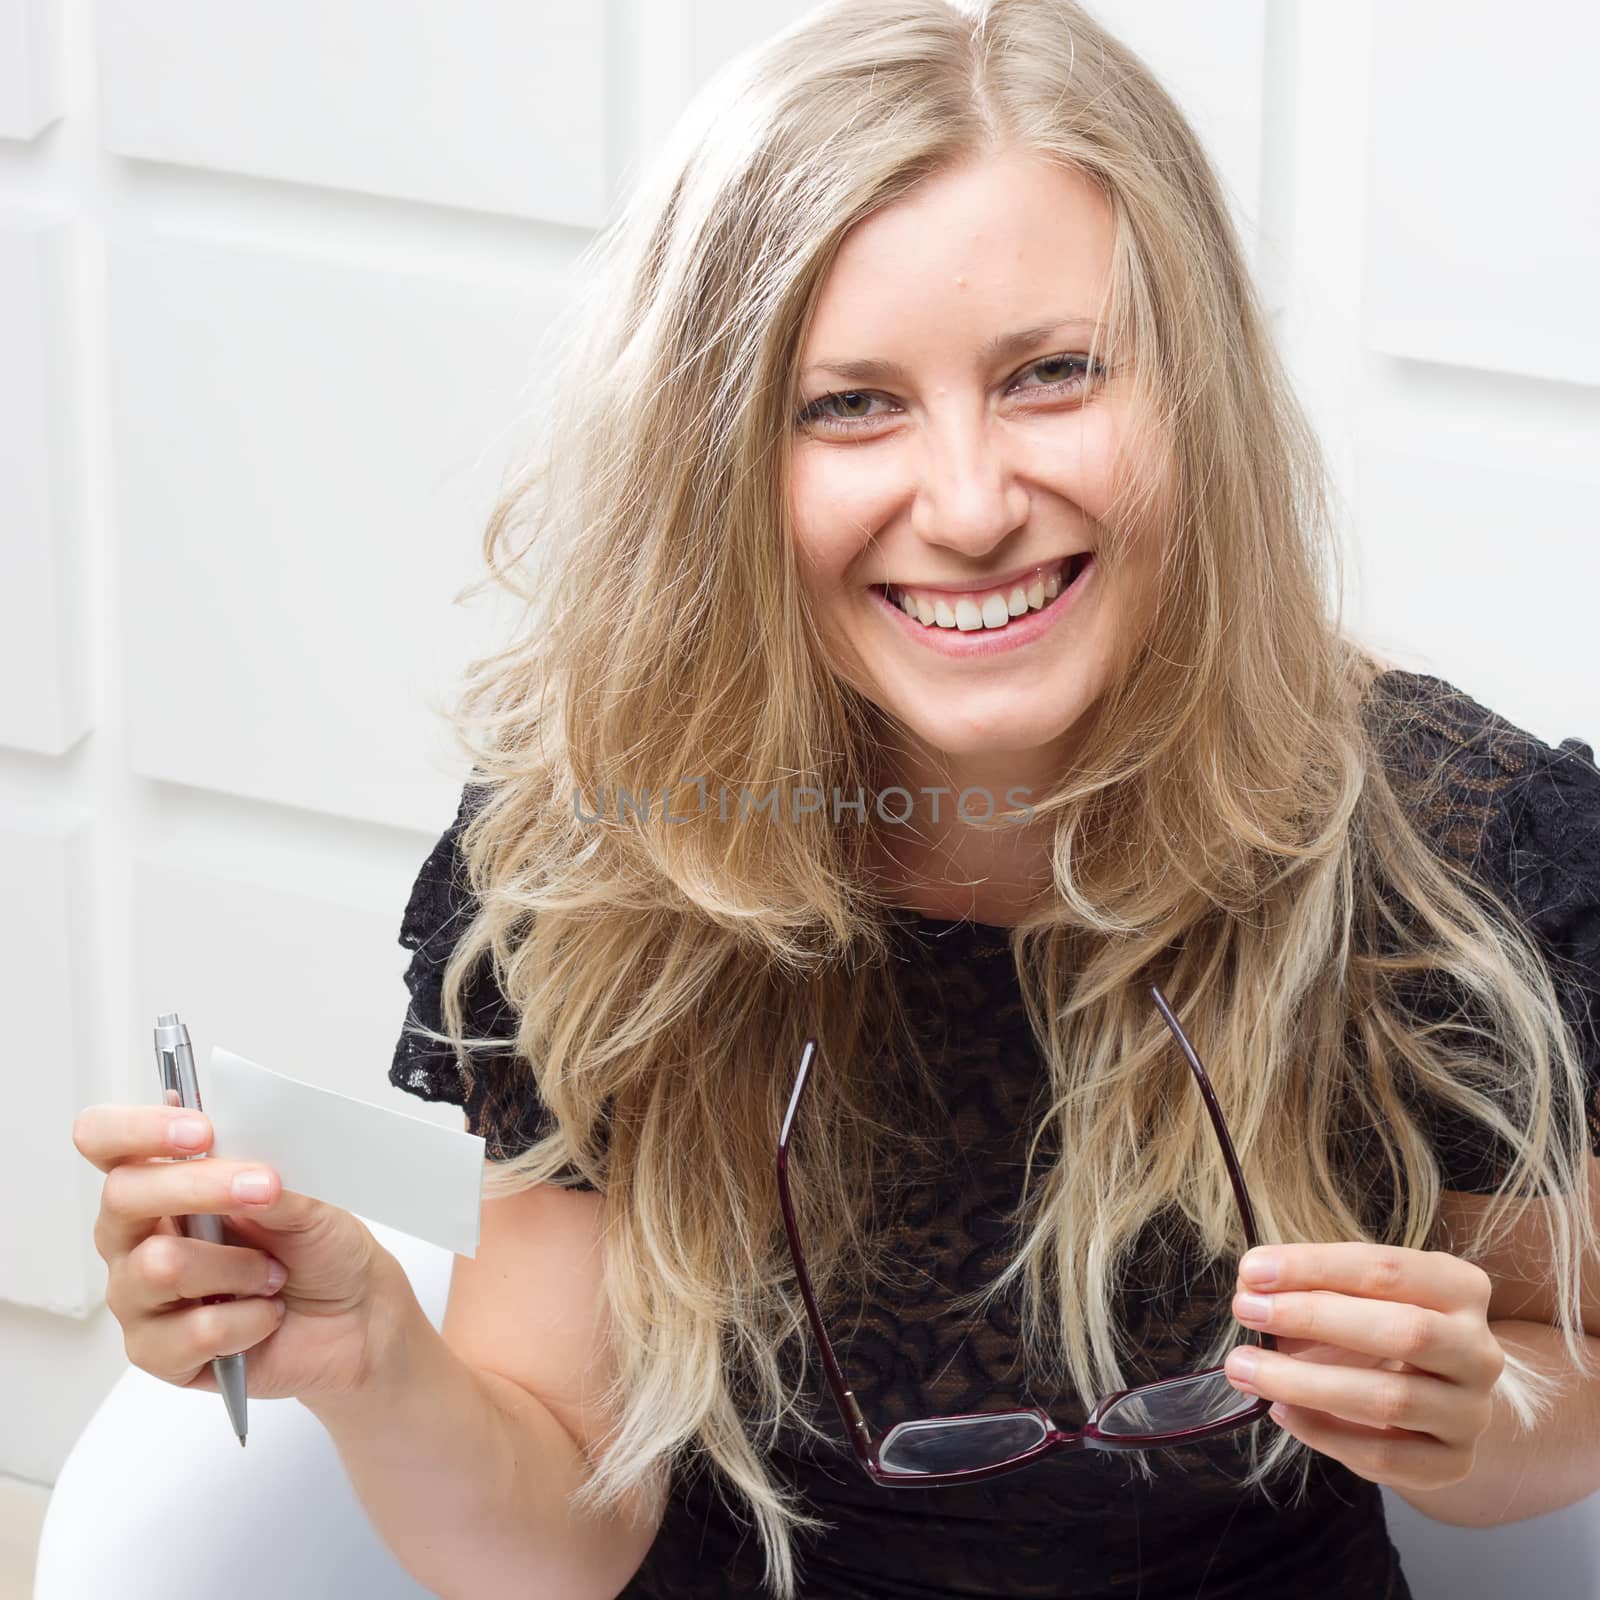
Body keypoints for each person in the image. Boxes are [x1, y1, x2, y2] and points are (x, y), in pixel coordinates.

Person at [75, 2, 1600, 1596]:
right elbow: (559, 1537)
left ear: (1196, 392)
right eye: (849, 403)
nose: (969, 505)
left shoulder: (1453, 862)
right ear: (725, 459)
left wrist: (1488, 1426)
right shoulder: (605, 862)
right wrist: (368, 1361)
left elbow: (1568, 1372)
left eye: (1053, 373)